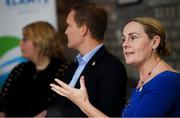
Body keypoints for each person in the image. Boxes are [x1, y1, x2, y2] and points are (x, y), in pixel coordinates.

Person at [50, 16, 180, 117]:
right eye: (124, 39)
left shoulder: (166, 81)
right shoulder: (145, 79)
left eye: (133, 38)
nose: (125, 44)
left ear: (155, 42)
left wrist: (84, 104)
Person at [47, 2, 127, 117]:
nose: (65, 31)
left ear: (83, 30)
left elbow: (107, 114)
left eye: (69, 25)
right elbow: (59, 105)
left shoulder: (111, 68)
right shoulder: (73, 65)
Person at [0, 21, 72, 117]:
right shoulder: (19, 70)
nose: (20, 43)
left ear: (40, 42)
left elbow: (63, 107)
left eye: (25, 40)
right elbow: (1, 104)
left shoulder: (65, 69)